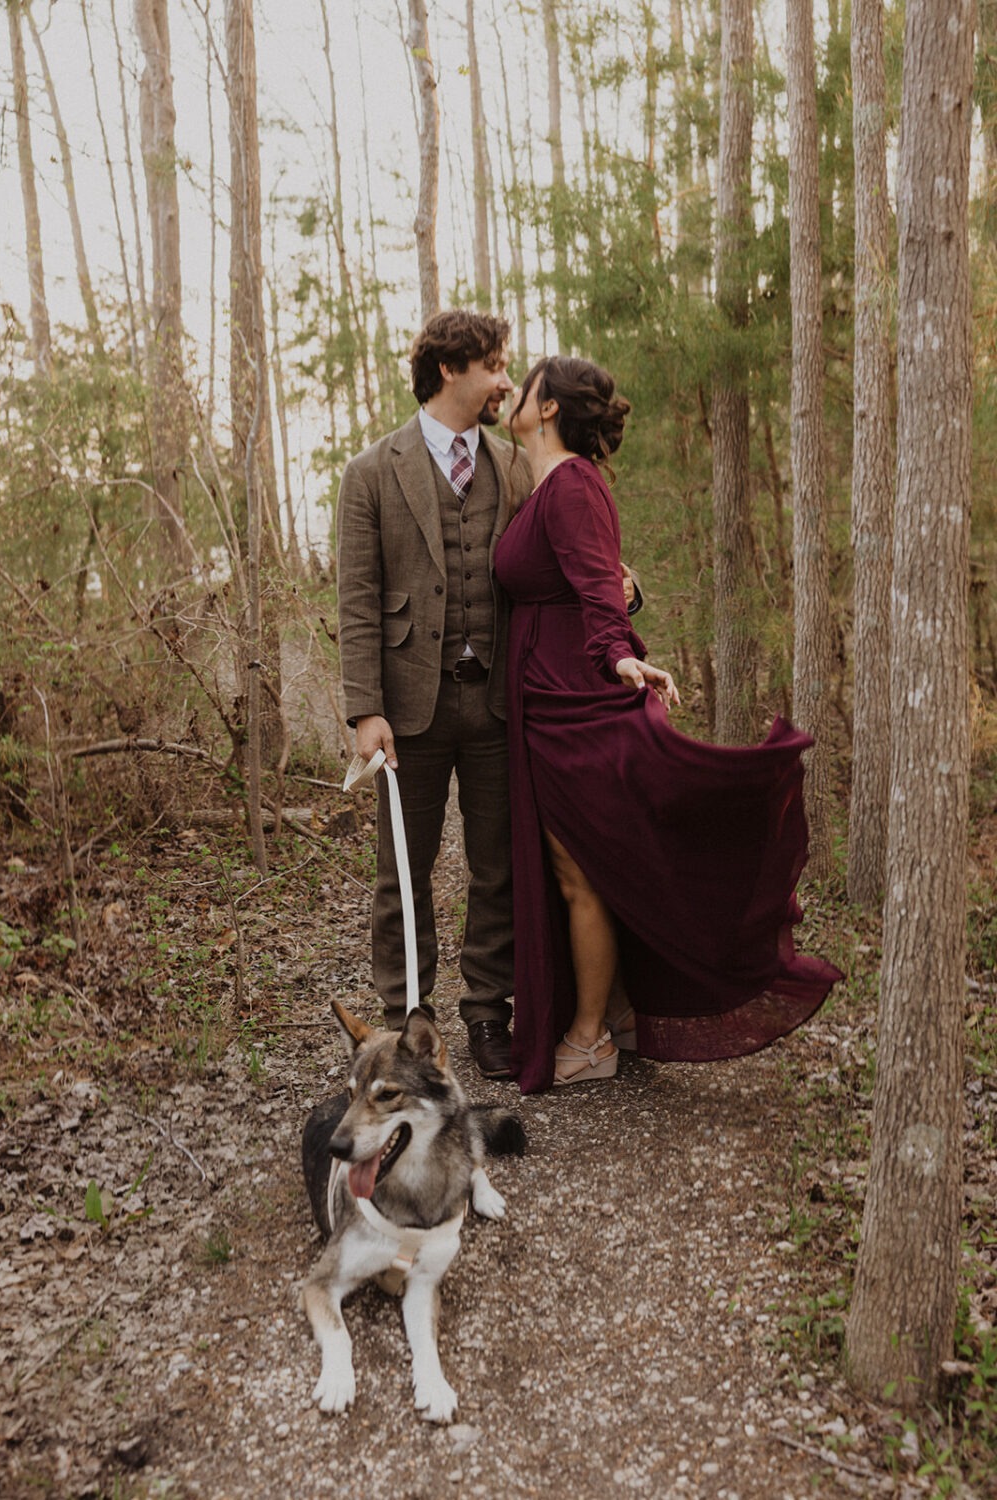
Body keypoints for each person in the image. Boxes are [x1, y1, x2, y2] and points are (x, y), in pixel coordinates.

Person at [494, 355, 842, 1093]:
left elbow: (597, 587)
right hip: (549, 697)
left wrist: (619, 655)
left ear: (548, 407)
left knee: (579, 871)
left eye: (522, 384)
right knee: (580, 872)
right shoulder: (545, 486)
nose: (511, 393)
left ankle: (589, 1040)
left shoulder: (572, 485)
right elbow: (594, 576)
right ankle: (613, 1011)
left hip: (573, 703)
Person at [335, 310, 532, 1079]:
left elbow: (565, 552)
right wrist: (364, 709)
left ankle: (488, 1014)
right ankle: (406, 1022)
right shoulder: (372, 473)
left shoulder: (515, 468)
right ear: (450, 369)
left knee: (497, 866)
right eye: (494, 364)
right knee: (402, 875)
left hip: (496, 704)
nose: (505, 380)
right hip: (406, 712)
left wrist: (623, 590)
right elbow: (356, 598)